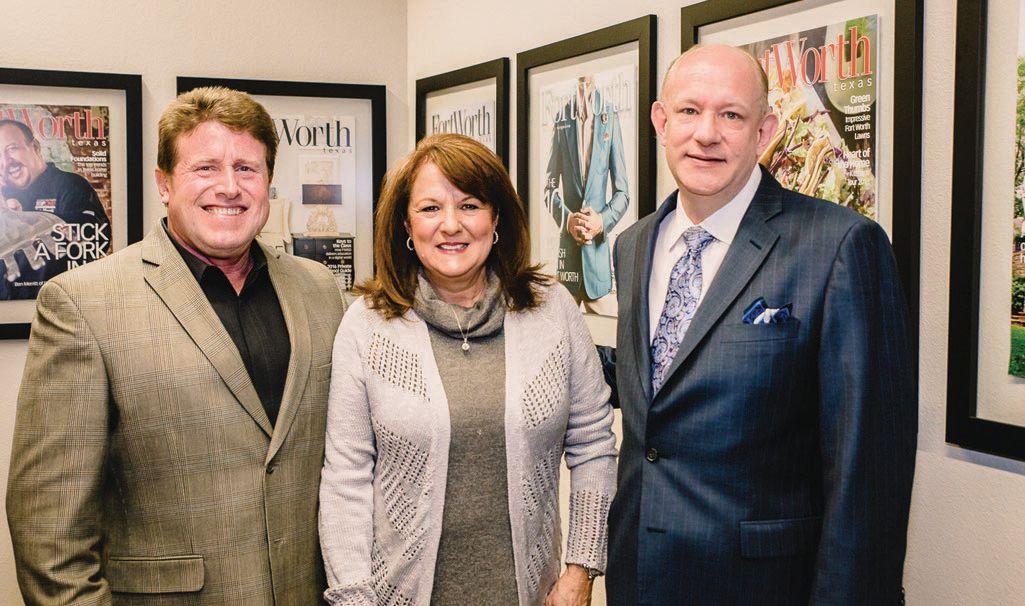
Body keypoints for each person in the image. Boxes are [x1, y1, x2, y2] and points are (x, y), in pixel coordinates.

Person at [6, 87, 345, 604]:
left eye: (247, 169)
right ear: (164, 183)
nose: (229, 187)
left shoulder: (320, 290)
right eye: (205, 168)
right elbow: (47, 529)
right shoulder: (82, 303)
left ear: (268, 182)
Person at [604, 45, 917, 605]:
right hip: (639, 579)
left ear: (764, 131)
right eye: (689, 111)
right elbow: (656, 402)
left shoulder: (840, 246)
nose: (706, 134)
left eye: (731, 114)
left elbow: (867, 477)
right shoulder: (633, 245)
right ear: (660, 121)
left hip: (763, 588)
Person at [319, 133, 617, 606]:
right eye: (430, 208)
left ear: (496, 218)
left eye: (470, 205)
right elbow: (346, 477)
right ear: (406, 224)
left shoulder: (553, 310)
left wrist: (582, 568)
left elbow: (593, 444)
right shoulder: (367, 325)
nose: (451, 225)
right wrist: (354, 598)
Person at [544, 75, 629, 315]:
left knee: (609, 337)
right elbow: (549, 188)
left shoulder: (609, 115)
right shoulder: (562, 117)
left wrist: (600, 221)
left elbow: (623, 192)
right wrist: (568, 220)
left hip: (598, 271)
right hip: (567, 271)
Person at [0, 118, 111, 299]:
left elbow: (98, 238)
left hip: (58, 303)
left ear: (35, 147)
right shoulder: (3, 197)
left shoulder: (70, 184)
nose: (6, 161)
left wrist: (48, 224)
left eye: (12, 149)